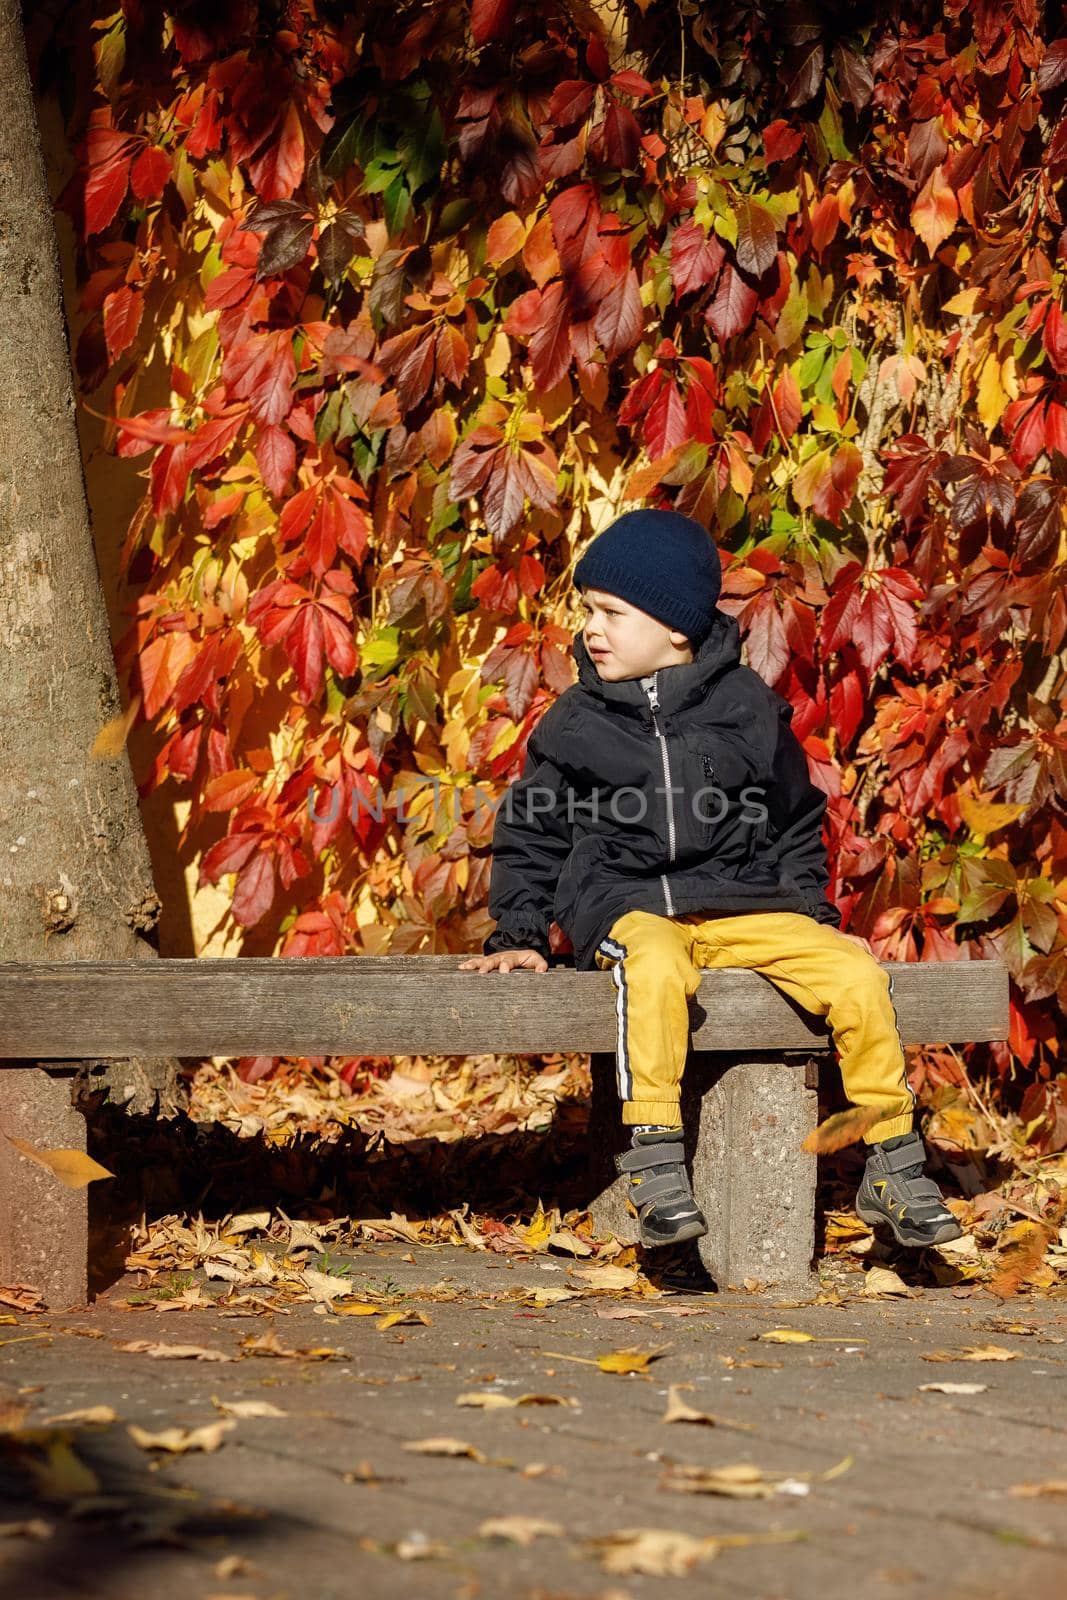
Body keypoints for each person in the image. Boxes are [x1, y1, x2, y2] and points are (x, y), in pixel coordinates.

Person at [459, 509, 962, 1252]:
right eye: (587, 611)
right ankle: (653, 1159)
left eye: (611, 614)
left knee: (854, 972)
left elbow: (793, 814)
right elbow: (532, 829)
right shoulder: (575, 721)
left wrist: (809, 910)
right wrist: (524, 931)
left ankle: (889, 1156)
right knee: (655, 968)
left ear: (675, 629)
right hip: (628, 906)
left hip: (741, 903)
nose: (591, 630)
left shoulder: (746, 708)